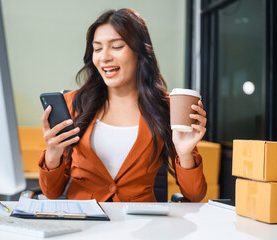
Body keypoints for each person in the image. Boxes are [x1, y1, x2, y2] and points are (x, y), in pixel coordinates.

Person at [39, 8, 207, 202]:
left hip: (140, 224)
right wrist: (53, 154)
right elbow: (51, 192)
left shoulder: (167, 107)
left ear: (139, 52)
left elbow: (194, 195)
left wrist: (185, 153)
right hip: (83, 223)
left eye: (116, 46)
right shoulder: (73, 104)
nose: (104, 57)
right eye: (97, 48)